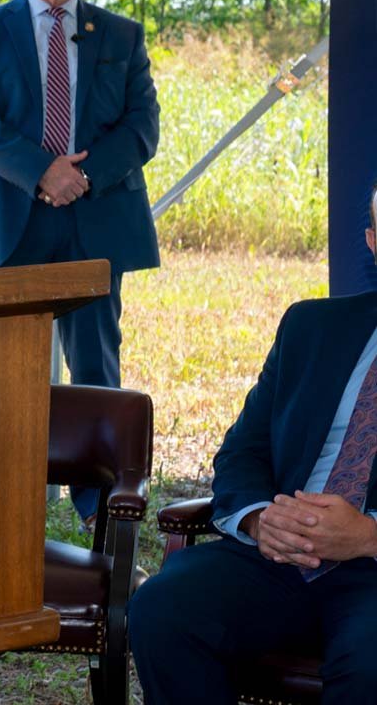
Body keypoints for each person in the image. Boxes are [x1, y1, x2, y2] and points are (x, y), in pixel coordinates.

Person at [0, 0, 159, 518]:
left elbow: (142, 127)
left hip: (94, 221)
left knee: (95, 366)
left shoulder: (121, 35)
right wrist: (43, 171)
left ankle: (98, 513)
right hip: (8, 224)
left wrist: (81, 176)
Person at [129, 183, 377, 703]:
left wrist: (367, 536)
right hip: (280, 559)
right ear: (374, 242)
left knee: (368, 666)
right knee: (163, 608)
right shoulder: (312, 327)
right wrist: (260, 519)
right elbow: (244, 450)